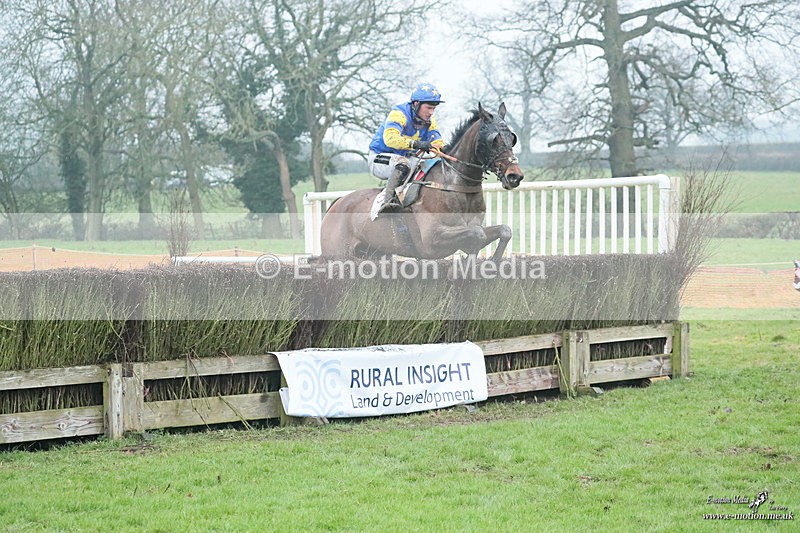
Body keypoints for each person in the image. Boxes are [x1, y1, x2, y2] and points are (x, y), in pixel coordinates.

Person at [368, 82, 446, 213]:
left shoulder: (429, 121)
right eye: (428, 108)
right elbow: (390, 139)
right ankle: (388, 204)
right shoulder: (399, 114)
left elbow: (438, 142)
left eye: (434, 108)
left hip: (404, 158)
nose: (431, 113)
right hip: (379, 157)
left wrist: (444, 150)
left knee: (429, 165)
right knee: (403, 164)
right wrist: (417, 144)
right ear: (416, 104)